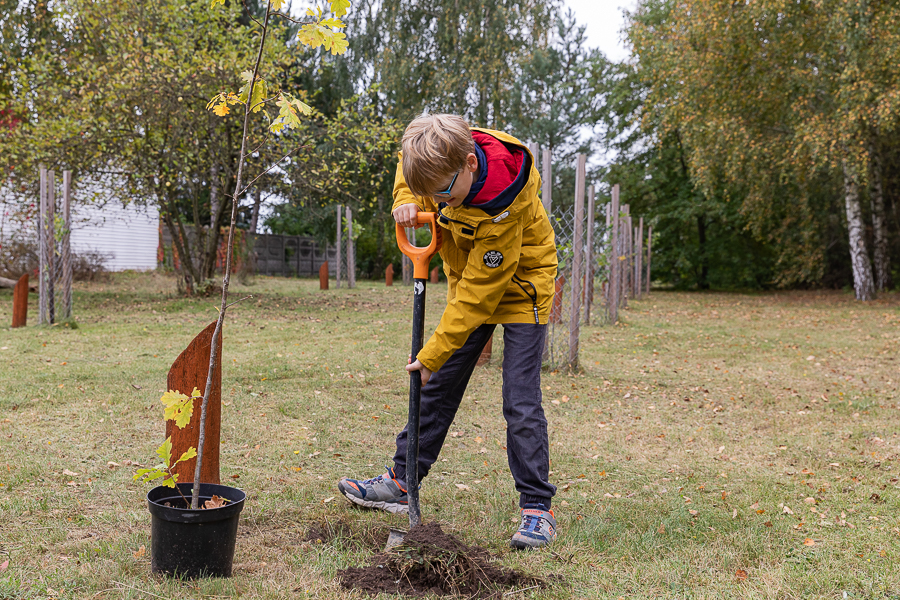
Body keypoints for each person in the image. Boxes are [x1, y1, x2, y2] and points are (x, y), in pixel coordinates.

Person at [338, 113, 558, 549]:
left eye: (441, 192)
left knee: (520, 401)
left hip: (519, 290)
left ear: (471, 165)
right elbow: (409, 166)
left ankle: (537, 509)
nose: (436, 201)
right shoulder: (439, 159)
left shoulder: (503, 199)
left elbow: (480, 294)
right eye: (428, 192)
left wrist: (434, 350)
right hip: (468, 285)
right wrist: (406, 196)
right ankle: (402, 482)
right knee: (435, 388)